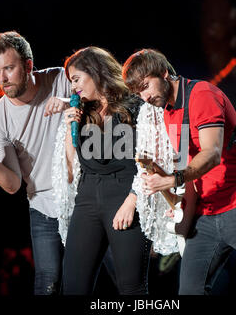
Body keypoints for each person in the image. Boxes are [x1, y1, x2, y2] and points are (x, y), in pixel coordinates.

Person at [122, 48, 236, 295]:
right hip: (207, 214)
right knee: (189, 291)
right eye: (138, 92)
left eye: (145, 86)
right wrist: (179, 205)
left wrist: (171, 179)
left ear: (163, 72)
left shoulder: (202, 94)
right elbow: (190, 166)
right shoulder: (168, 113)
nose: (144, 97)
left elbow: (212, 154)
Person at [0, 31, 72, 295]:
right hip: (42, 205)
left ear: (28, 65)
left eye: (9, 68)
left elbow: (104, 98)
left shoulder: (61, 79)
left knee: (110, 277)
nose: (2, 78)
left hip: (85, 197)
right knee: (47, 284)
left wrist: (68, 101)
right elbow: (12, 185)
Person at [55, 46, 152, 295]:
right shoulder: (82, 112)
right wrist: (70, 129)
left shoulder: (135, 105)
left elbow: (150, 159)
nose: (73, 86)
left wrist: (133, 200)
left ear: (95, 72)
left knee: (131, 287)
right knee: (74, 286)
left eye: (76, 79)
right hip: (87, 197)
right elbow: (69, 167)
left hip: (125, 193)